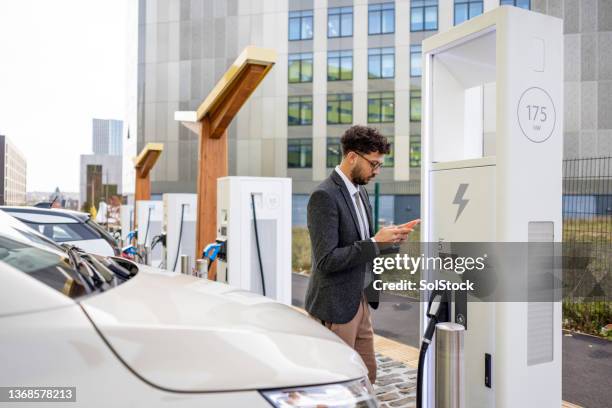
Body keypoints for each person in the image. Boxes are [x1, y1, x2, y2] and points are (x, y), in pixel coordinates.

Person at [305, 125, 418, 384]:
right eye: (374, 164)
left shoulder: (360, 191)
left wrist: (390, 240)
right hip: (335, 308)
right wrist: (375, 242)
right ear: (352, 157)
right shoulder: (324, 196)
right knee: (337, 382)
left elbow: (364, 245)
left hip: (362, 301)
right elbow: (326, 260)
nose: (376, 171)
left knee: (367, 376)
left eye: (379, 165)